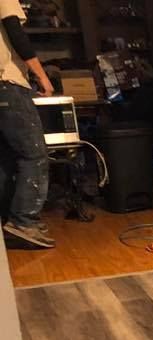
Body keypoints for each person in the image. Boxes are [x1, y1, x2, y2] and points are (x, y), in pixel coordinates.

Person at [0, 0, 54, 249]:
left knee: (8, 157)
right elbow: (16, 33)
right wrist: (42, 76)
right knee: (34, 155)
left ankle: (10, 220)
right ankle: (23, 221)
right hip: (6, 83)